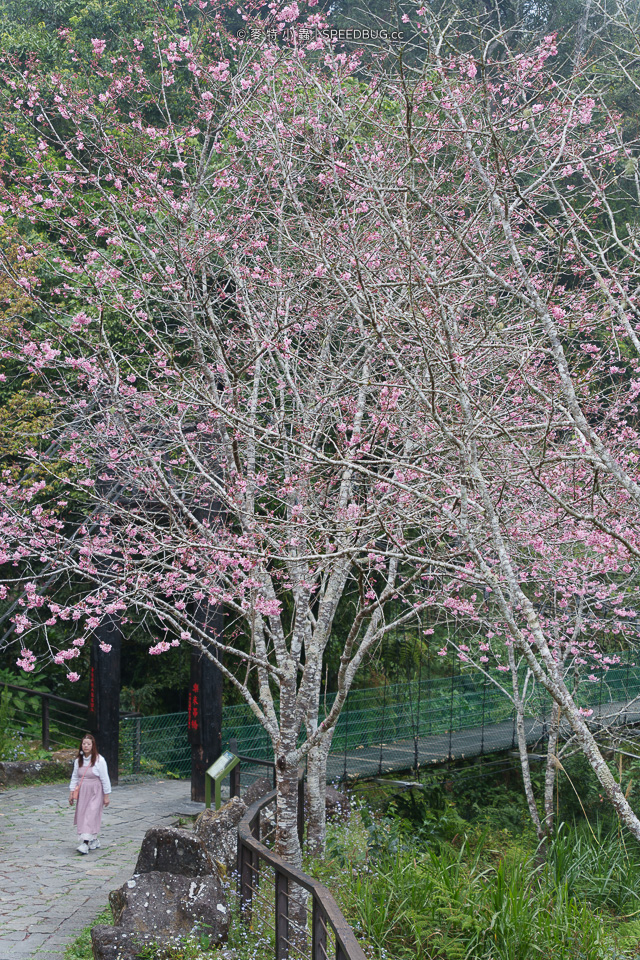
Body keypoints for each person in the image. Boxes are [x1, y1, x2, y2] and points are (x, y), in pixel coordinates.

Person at [68, 733, 111, 854]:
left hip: (95, 791)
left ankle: (85, 843)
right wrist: (72, 792)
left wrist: (106, 795)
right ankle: (94, 839)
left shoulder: (99, 760)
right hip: (83, 791)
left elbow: (105, 778)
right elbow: (75, 777)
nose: (86, 746)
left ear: (93, 746)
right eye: (84, 744)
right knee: (83, 815)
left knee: (91, 814)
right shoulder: (78, 761)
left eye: (88, 744)